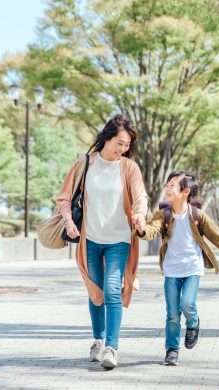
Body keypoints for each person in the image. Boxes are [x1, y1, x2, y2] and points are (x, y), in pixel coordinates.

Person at [57, 113, 148, 369]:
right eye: (120, 143)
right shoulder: (84, 164)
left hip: (120, 239)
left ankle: (111, 347)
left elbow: (140, 196)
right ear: (107, 138)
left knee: (110, 290)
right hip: (91, 239)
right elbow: (64, 198)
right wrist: (68, 221)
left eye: (127, 145)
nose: (124, 149)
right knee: (95, 292)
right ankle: (97, 341)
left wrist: (139, 215)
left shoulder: (129, 167)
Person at [134, 171, 219, 366]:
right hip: (171, 270)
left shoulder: (197, 215)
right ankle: (171, 350)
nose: (167, 188)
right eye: (167, 184)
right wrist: (142, 229)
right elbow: (151, 231)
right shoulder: (164, 214)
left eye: (172, 185)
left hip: (193, 268)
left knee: (187, 303)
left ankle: (193, 323)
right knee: (172, 313)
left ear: (185, 191)